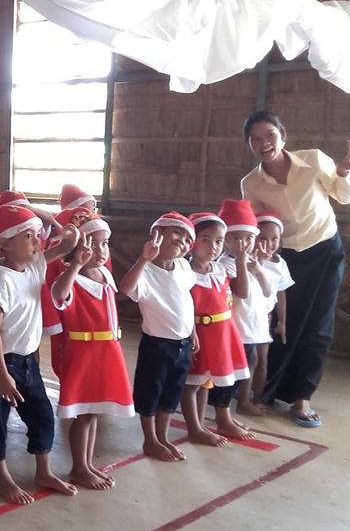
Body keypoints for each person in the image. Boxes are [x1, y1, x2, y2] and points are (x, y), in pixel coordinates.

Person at [239, 110, 350, 427]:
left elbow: (342, 196)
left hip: (325, 250)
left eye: (269, 135)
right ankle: (266, 388)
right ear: (249, 144)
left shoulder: (315, 160)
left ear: (283, 135)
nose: (263, 143)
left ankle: (301, 397)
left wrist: (345, 172)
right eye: (255, 138)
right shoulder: (251, 184)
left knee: (318, 325)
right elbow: (258, 225)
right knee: (282, 323)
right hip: (287, 258)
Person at [0, 204, 79, 505]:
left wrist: (56, 224)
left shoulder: (36, 265)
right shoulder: (1, 280)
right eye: (28, 236)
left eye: (37, 235)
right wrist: (1, 374)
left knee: (42, 415)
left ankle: (43, 471)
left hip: (29, 360)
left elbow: (70, 242)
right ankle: (2, 476)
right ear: (5, 243)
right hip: (4, 362)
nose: (37, 242)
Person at [49, 210, 133, 491]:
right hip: (85, 354)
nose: (99, 251)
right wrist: (74, 267)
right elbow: (59, 295)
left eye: (104, 244)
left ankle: (86, 463)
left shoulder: (105, 274)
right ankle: (78, 467)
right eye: (92, 244)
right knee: (84, 415)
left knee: (95, 412)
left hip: (108, 351)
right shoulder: (70, 278)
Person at [121, 212, 196, 463]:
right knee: (150, 393)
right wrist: (145, 258)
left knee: (171, 393)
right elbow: (127, 288)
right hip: (158, 344)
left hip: (183, 343)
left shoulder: (184, 267)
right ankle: (150, 439)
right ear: (157, 235)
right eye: (177, 233)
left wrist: (193, 332)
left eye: (187, 239)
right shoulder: (147, 271)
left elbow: (187, 302)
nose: (182, 241)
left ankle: (162, 437)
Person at [182, 212, 250, 448]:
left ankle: (201, 425)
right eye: (206, 239)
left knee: (206, 382)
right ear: (192, 241)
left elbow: (243, 291)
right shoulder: (185, 272)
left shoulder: (220, 270)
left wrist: (241, 260)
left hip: (222, 333)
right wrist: (191, 335)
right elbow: (184, 308)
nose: (213, 246)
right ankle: (194, 428)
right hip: (200, 334)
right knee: (191, 384)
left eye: (219, 241)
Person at [215, 199, 271, 434]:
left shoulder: (253, 263)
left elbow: (268, 290)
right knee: (229, 374)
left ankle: (242, 402)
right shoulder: (224, 264)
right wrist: (241, 262)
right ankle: (224, 413)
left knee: (250, 365)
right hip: (236, 328)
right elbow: (242, 291)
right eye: (236, 238)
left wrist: (257, 268)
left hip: (253, 327)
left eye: (248, 238)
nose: (243, 244)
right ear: (225, 239)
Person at [252, 212, 294, 409]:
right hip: (242, 317)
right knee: (245, 360)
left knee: (262, 360)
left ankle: (257, 399)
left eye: (274, 238)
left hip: (264, 320)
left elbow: (281, 294)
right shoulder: (247, 260)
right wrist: (257, 262)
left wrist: (282, 322)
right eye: (262, 238)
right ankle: (232, 396)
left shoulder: (280, 264)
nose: (269, 243)